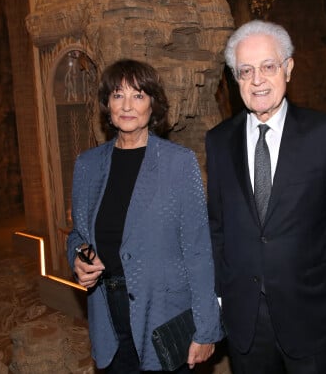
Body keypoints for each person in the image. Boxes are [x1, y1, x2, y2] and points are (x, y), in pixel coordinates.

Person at [205, 20, 326, 373]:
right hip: (245, 319)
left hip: (312, 313)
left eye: (268, 66)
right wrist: (218, 298)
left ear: (288, 68)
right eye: (245, 71)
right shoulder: (219, 141)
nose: (257, 80)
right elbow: (218, 227)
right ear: (235, 79)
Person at [67, 59, 224, 373]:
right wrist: (79, 257)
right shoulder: (88, 165)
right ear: (107, 105)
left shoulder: (179, 163)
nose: (127, 105)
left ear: (153, 104)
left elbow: (198, 251)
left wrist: (207, 328)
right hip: (108, 319)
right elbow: (79, 235)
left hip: (164, 318)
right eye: (117, 95)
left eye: (138, 95)